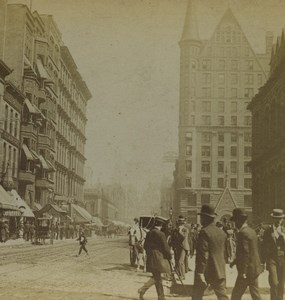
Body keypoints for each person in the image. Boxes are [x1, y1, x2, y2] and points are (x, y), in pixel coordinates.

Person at [192, 204, 229, 300]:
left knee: (196, 296)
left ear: (205, 218)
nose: (200, 219)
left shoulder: (204, 232)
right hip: (219, 269)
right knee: (222, 296)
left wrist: (200, 272)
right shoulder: (222, 233)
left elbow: (203, 254)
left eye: (201, 217)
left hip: (206, 271)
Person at [230, 208, 263, 300]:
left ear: (239, 221)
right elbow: (251, 251)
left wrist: (243, 272)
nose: (234, 223)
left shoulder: (242, 233)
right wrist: (235, 261)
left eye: (235, 220)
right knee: (255, 294)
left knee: (235, 296)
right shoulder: (251, 231)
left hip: (247, 271)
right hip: (254, 268)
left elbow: (246, 253)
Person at [139, 216, 172, 300]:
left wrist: (151, 252)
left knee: (157, 277)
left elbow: (145, 246)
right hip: (159, 258)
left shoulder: (149, 233)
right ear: (161, 225)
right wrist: (169, 256)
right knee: (157, 278)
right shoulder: (161, 234)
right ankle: (144, 290)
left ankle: (160, 296)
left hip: (151, 258)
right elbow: (166, 247)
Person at [261, 208, 285, 300]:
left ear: (282, 219)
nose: (278, 221)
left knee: (281, 285)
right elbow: (263, 247)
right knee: (274, 283)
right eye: (276, 218)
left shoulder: (284, 231)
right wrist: (262, 262)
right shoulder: (267, 231)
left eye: (280, 219)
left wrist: (283, 236)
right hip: (272, 260)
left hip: (283, 260)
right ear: (273, 219)